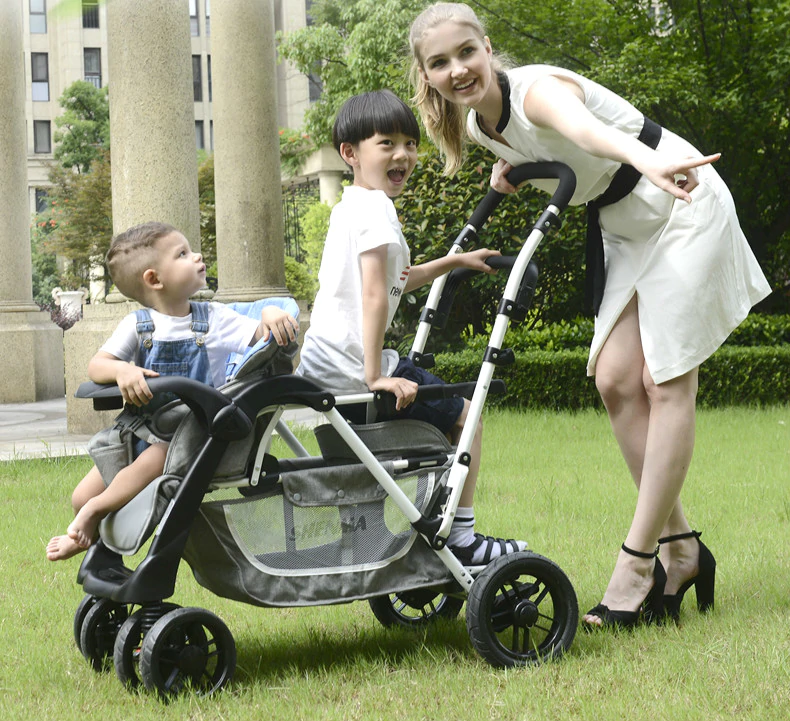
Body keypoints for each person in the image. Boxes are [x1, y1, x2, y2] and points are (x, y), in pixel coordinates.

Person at [409, 3, 772, 626]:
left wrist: (647, 159)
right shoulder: (479, 125)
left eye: (466, 52)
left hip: (679, 199)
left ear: (487, 47)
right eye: (440, 62)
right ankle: (683, 549)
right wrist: (507, 176)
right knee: (614, 378)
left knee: (664, 380)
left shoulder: (536, 92)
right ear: (428, 75)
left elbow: (582, 132)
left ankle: (637, 566)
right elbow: (542, 153)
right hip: (624, 227)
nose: (459, 69)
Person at [295, 89, 526, 566]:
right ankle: (462, 536)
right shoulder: (376, 209)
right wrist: (375, 375)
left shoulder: (350, 206)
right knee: (467, 416)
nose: (402, 155)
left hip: (326, 364)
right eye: (387, 144)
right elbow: (374, 294)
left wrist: (453, 261)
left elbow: (395, 278)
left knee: (439, 421)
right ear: (350, 153)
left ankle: (429, 520)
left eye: (410, 144)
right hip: (356, 367)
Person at [46, 221, 299, 561]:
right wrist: (122, 370)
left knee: (147, 463)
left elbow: (261, 334)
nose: (197, 256)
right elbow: (97, 366)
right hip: (140, 430)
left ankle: (96, 510)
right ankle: (99, 546)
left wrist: (270, 311)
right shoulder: (138, 325)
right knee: (80, 496)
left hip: (191, 435)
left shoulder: (215, 319)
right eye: (182, 254)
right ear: (154, 279)